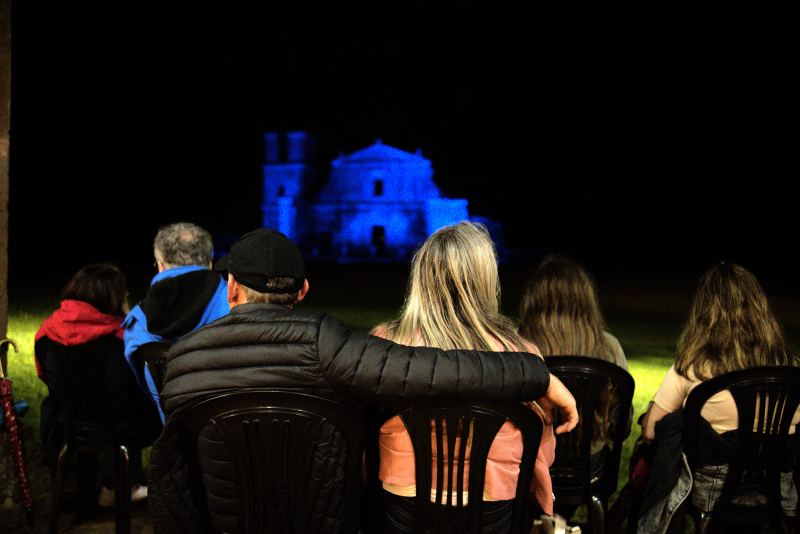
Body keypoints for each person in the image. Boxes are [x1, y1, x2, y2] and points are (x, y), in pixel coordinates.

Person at [147, 228, 578, 534]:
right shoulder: (327, 343)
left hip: (221, 522)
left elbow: (175, 463)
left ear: (230, 287)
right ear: (302, 291)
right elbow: (431, 371)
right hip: (318, 520)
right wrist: (535, 375)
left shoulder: (182, 358)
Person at [372, 222, 557, 534]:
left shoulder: (385, 343)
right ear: (485, 280)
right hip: (493, 507)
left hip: (405, 503)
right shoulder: (523, 356)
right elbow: (542, 448)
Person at [639, 262, 800, 533]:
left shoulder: (693, 366)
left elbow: (652, 430)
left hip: (712, 489)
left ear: (704, 311)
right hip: (778, 487)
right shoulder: (792, 368)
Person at [34, 264, 161, 506]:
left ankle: (102, 485)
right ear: (113, 298)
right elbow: (130, 383)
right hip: (117, 426)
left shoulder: (48, 332)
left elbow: (46, 377)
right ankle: (121, 484)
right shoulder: (119, 339)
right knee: (141, 402)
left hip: (67, 423)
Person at [518, 255, 630, 462]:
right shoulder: (609, 346)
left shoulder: (515, 345)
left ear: (533, 299)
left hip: (529, 470)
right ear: (587, 300)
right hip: (591, 472)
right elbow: (621, 426)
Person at [122, 222, 229, 422]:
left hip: (175, 440)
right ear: (210, 263)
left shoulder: (136, 326)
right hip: (233, 436)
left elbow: (149, 393)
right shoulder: (238, 307)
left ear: (160, 265)